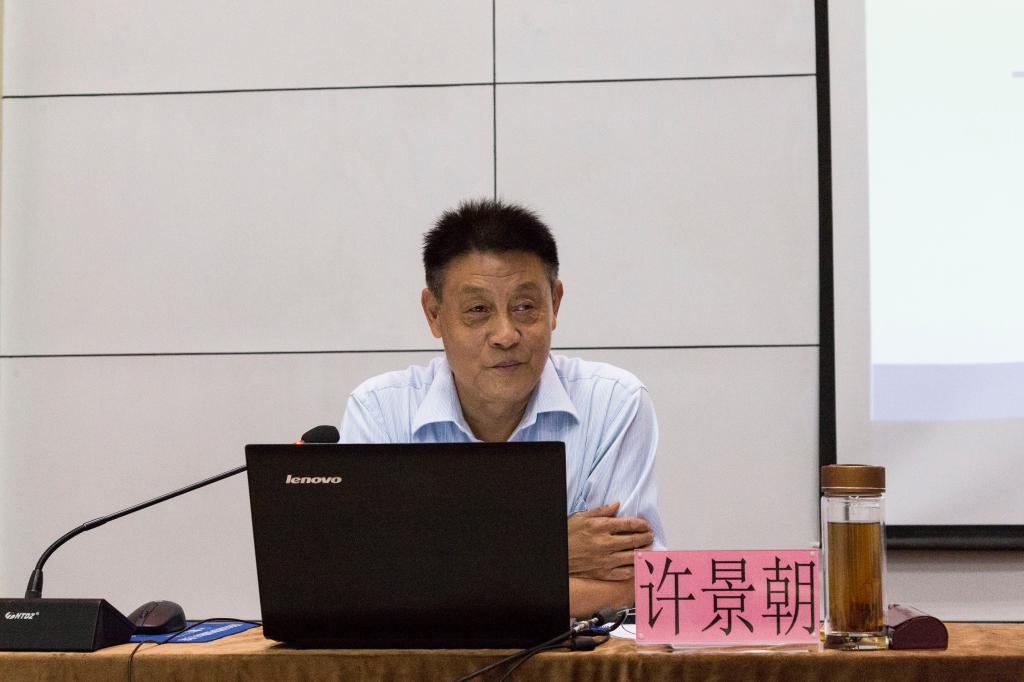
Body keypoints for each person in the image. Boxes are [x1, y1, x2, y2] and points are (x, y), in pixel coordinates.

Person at [340, 199, 666, 618]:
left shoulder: (614, 402)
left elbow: (631, 582)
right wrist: (550, 547)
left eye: (525, 307)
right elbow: (365, 586)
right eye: (478, 310)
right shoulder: (380, 411)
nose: (506, 334)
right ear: (434, 314)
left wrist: (437, 575)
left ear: (555, 304)